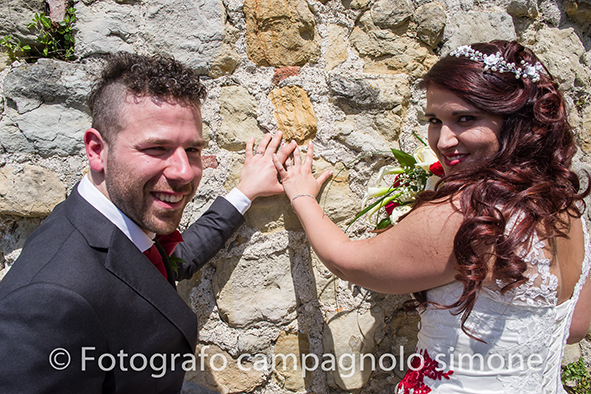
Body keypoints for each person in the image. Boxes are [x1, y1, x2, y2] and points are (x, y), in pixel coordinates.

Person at [273, 40, 591, 393]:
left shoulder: (467, 215)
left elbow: (348, 262)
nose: (444, 139)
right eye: (434, 120)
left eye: (465, 118)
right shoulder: (566, 208)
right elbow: (574, 327)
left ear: (516, 122)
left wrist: (301, 194)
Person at [0, 53, 286, 393]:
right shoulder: (47, 301)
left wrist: (245, 192)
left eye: (193, 149)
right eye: (156, 148)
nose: (184, 172)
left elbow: (173, 262)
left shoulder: (112, 226)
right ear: (96, 150)